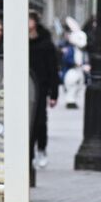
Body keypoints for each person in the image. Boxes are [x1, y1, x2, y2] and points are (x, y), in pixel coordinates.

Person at [29, 13, 60, 169]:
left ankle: (41, 149)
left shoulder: (45, 42)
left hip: (41, 86)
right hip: (24, 87)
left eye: (30, 20)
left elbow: (53, 69)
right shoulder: (17, 40)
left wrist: (54, 93)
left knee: (40, 121)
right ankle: (29, 154)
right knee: (28, 122)